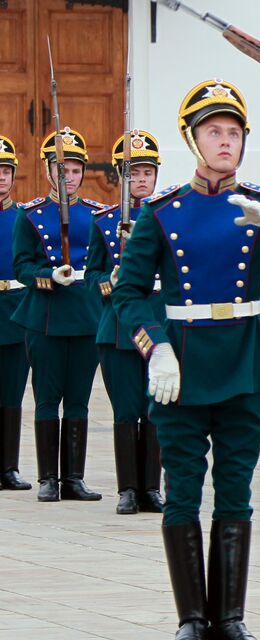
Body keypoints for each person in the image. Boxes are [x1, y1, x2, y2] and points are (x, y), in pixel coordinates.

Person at [112, 78, 260, 640]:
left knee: (235, 491)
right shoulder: (162, 214)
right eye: (213, 132)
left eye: (234, 133)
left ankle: (230, 620)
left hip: (243, 358)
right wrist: (153, 346)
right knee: (183, 489)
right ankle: (191, 619)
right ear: (191, 139)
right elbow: (129, 294)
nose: (224, 142)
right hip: (181, 364)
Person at [11, 127, 105, 502]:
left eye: (74, 169)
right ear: (48, 170)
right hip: (46, 314)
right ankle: (49, 477)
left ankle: (75, 478)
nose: (67, 175)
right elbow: (22, 267)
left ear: (83, 172)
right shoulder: (30, 216)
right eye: (60, 168)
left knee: (79, 398)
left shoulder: (98, 216)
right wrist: (48, 275)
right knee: (48, 397)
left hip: (84, 313)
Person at [90, 130, 165, 513]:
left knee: (155, 408)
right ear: (121, 177)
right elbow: (92, 278)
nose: (141, 180)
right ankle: (128, 489)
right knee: (125, 410)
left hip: (154, 323)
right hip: (118, 329)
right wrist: (112, 280)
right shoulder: (103, 222)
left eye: (147, 172)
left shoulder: (167, 219)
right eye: (133, 173)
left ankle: (151, 487)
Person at [0, 135, 31, 491]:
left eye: (6, 171)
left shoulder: (24, 218)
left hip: (15, 311)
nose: (2, 177)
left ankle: (8, 467)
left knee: (12, 394)